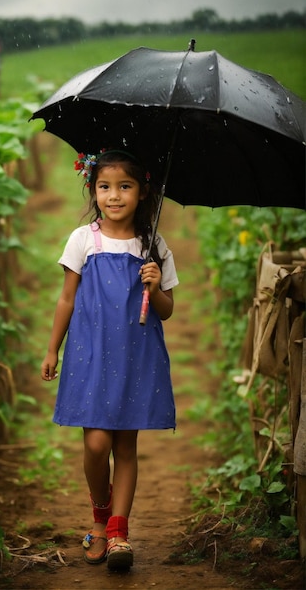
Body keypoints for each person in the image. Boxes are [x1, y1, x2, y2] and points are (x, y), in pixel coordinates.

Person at [40, 149, 179, 570]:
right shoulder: (84, 239)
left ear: (142, 192)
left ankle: (117, 532)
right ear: (93, 189)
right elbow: (67, 298)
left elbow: (168, 308)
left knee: (125, 444)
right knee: (96, 444)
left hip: (136, 354)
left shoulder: (153, 245)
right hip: (91, 354)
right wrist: (52, 348)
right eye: (105, 187)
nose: (114, 196)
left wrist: (154, 288)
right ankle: (99, 516)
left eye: (125, 187)